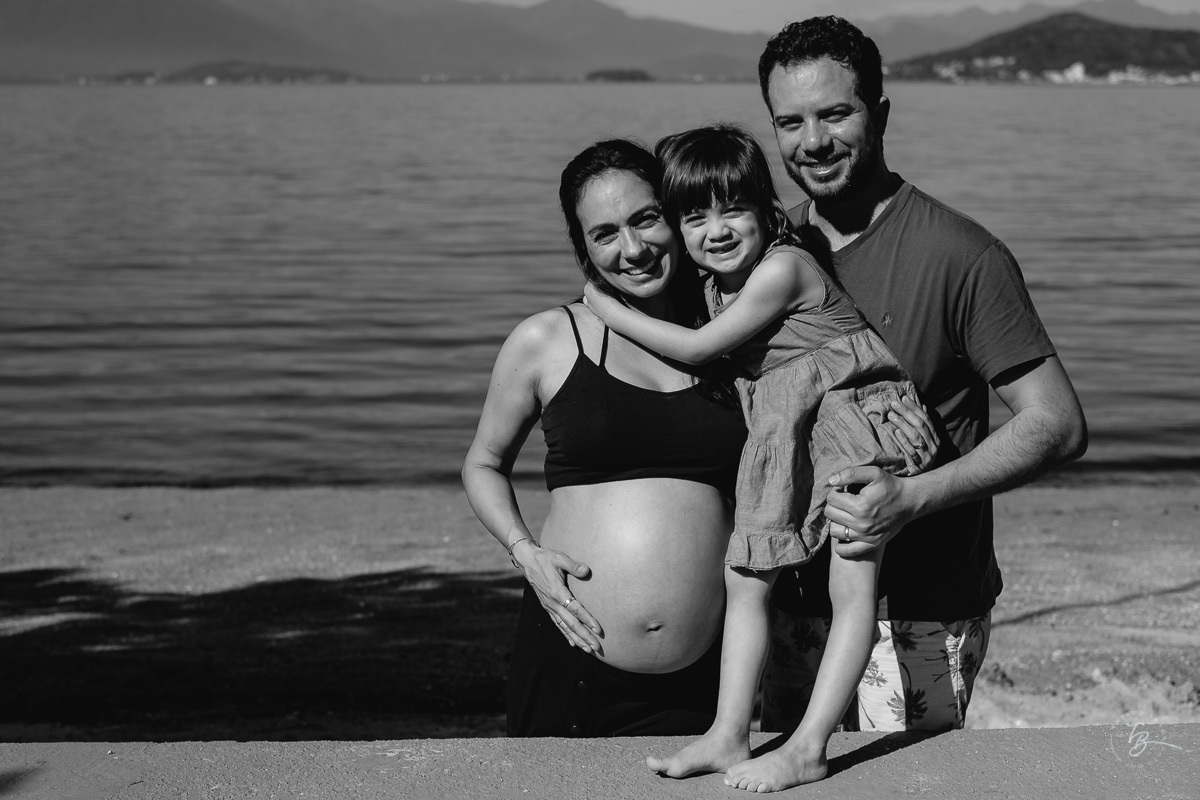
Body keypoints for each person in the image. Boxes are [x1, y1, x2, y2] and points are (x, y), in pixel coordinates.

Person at [756, 16, 1088, 737]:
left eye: (835, 114)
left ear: (879, 114)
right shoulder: (769, 253)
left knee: (900, 783)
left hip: (916, 613)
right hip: (789, 603)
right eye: (790, 121)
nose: (813, 141)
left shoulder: (961, 255)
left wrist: (910, 498)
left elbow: (1056, 424)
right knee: (785, 776)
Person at [584, 124, 939, 792]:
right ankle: (728, 734)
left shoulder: (783, 267)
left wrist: (603, 305)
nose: (716, 230)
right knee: (745, 577)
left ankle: (808, 746)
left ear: (765, 208)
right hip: (786, 431)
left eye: (734, 209)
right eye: (695, 216)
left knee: (851, 583)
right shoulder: (718, 283)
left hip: (848, 420)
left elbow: (698, 349)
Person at [461, 139, 750, 736]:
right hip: (572, 656)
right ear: (584, 249)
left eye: (646, 219)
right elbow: (484, 464)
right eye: (606, 234)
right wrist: (525, 552)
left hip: (712, 670)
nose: (634, 249)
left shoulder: (732, 336)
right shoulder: (548, 339)